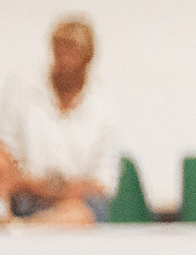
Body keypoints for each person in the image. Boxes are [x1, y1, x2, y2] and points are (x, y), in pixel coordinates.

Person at [0, 16, 122, 227]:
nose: (64, 61)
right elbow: (7, 153)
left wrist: (51, 188)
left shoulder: (103, 108)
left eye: (72, 53)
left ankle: (25, 229)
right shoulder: (23, 93)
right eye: (59, 52)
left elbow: (101, 184)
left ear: (87, 58)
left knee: (80, 213)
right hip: (26, 198)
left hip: (77, 203)